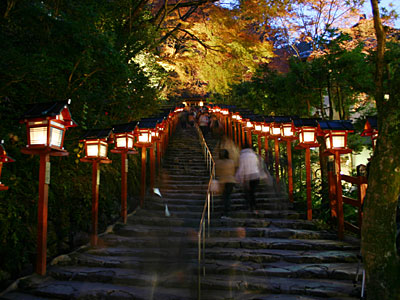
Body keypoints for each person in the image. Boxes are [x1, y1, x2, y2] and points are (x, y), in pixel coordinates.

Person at [235, 143, 261, 211]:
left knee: (248, 192)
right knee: (252, 191)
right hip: (256, 175)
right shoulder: (254, 155)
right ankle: (253, 206)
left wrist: (239, 177)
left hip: (248, 176)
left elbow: (242, 167)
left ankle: (251, 206)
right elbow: (257, 164)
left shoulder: (242, 156)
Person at [215, 149, 236, 217]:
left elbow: (217, 172)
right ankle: (227, 211)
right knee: (228, 196)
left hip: (222, 181)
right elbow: (233, 171)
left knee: (224, 197)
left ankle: (224, 212)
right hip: (231, 180)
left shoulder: (218, 162)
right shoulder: (231, 162)